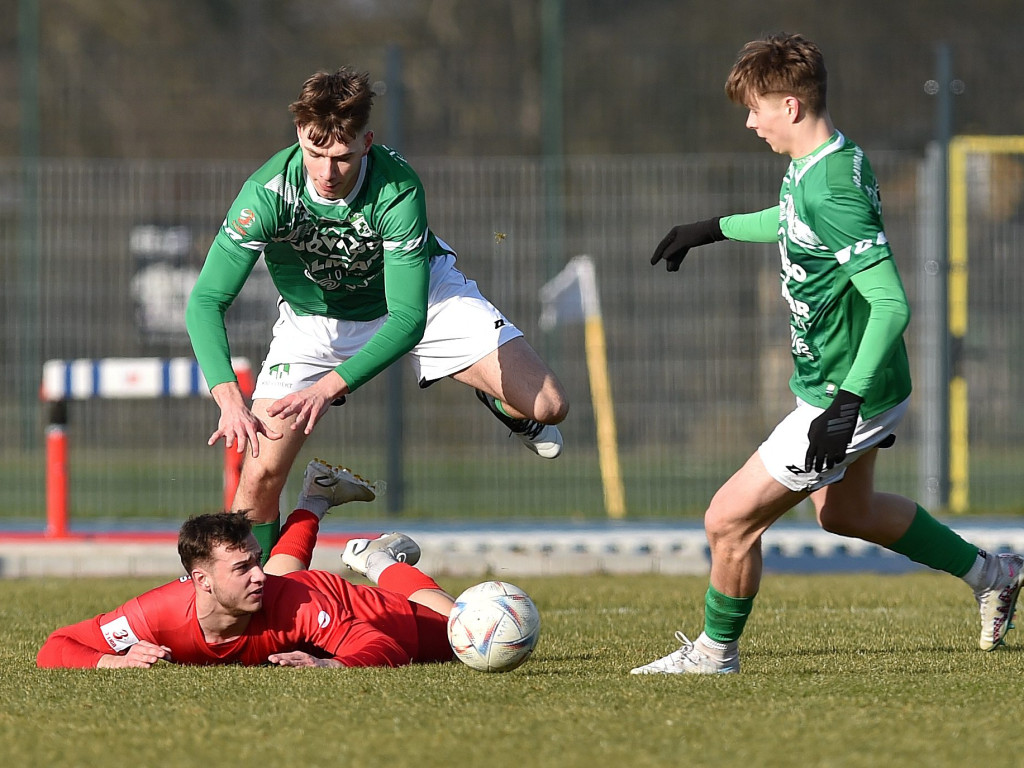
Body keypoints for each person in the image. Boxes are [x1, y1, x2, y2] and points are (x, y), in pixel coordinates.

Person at [633, 33, 1024, 675]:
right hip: (845, 381)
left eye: (757, 107)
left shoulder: (831, 188)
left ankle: (713, 653)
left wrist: (845, 405)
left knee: (727, 521)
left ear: (790, 106)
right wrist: (714, 228)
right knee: (847, 512)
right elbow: (792, 221)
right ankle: (994, 573)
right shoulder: (824, 164)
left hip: (849, 388)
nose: (751, 122)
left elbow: (893, 304)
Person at [185, 68, 569, 559]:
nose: (327, 173)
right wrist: (228, 398)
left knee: (550, 405)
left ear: (367, 141)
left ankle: (495, 399)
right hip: (313, 322)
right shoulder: (266, 194)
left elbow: (407, 320)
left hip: (424, 300)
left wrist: (328, 388)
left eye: (342, 156)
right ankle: (247, 610)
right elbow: (204, 302)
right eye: (315, 154)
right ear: (300, 135)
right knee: (258, 474)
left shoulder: (397, 189)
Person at [37, 459, 456, 669]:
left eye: (256, 559)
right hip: (295, 599)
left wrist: (327, 664)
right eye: (242, 566)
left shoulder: (293, 598)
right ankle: (314, 500)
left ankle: (378, 561)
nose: (259, 571)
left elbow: (383, 646)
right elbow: (55, 647)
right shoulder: (155, 613)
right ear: (199, 580)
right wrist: (111, 661)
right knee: (276, 583)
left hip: (370, 612)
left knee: (467, 627)